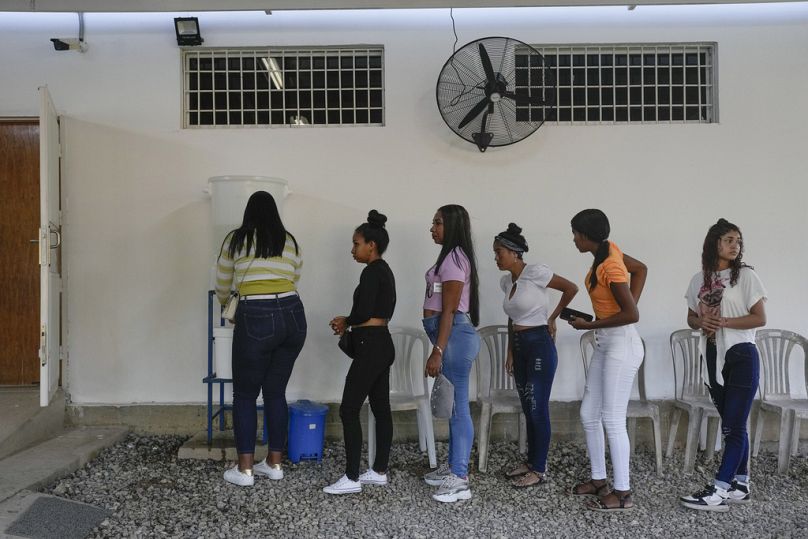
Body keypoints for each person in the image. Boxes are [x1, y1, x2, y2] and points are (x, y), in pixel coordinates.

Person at [215, 191, 306, 487]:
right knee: (275, 393)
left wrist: (225, 302)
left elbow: (222, 281)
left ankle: (245, 470)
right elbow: (296, 274)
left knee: (244, 395)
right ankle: (274, 464)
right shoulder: (289, 240)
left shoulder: (237, 239)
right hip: (293, 314)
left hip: (256, 314)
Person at [680, 218, 767, 512]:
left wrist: (725, 322)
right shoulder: (698, 280)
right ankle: (741, 484)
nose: (735, 245)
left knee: (731, 427)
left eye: (738, 241)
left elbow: (760, 318)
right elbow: (691, 317)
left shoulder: (745, 276)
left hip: (741, 353)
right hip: (713, 355)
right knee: (734, 424)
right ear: (714, 243)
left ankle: (718, 491)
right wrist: (700, 321)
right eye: (729, 240)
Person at [566, 209, 647, 512]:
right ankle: (600, 480)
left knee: (613, 418)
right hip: (607, 343)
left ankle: (623, 494)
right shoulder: (609, 252)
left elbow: (632, 314)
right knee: (589, 413)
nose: (573, 238)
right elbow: (641, 269)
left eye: (575, 233)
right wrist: (620, 312)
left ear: (585, 236)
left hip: (621, 346)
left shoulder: (610, 265)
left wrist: (591, 325)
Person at [493, 223, 579, 487]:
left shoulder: (536, 273)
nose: (496, 258)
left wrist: (553, 318)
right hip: (520, 346)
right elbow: (512, 318)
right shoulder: (507, 281)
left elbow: (571, 288)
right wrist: (509, 351)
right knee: (527, 406)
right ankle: (531, 462)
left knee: (537, 407)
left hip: (539, 342)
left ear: (514, 252)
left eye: (499, 252)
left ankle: (539, 469)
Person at [324, 210, 397, 495]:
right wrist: (351, 319)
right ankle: (379, 471)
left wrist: (346, 320)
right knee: (381, 409)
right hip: (382, 342)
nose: (353, 249)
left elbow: (364, 311)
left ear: (371, 245)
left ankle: (352, 477)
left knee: (348, 409)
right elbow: (376, 311)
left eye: (356, 244)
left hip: (370, 345)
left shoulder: (370, 272)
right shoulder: (385, 270)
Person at [422, 204, 481, 503]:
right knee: (454, 405)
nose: (432, 228)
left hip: (454, 337)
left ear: (453, 226)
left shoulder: (455, 259)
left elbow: (448, 310)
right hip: (450, 335)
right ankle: (454, 467)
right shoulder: (450, 257)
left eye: (437, 223)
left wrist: (438, 350)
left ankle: (460, 479)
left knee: (458, 408)